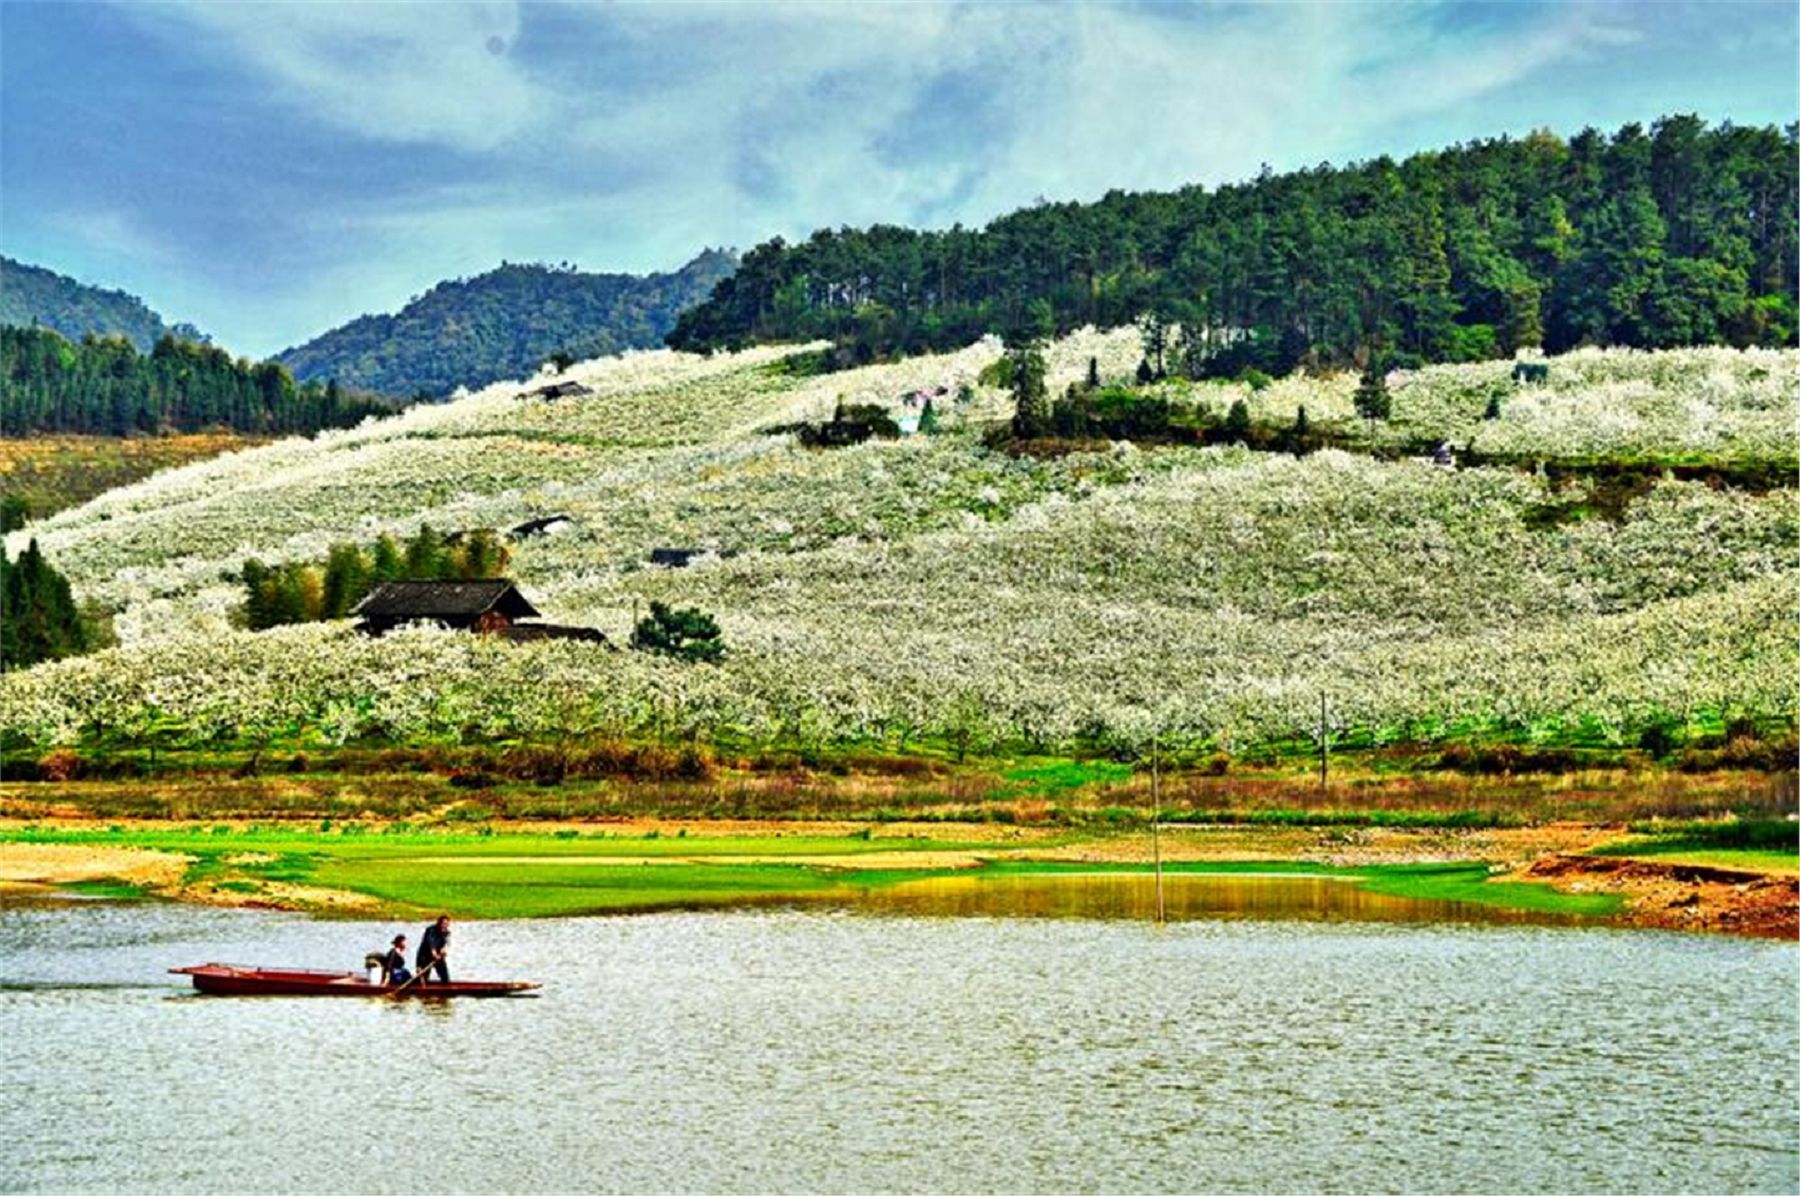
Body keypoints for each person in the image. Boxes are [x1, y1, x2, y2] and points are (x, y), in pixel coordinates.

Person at [416, 915, 451, 985]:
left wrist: (443, 951)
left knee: (445, 978)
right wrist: (434, 954)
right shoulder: (431, 930)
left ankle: (445, 992)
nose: (445, 926)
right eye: (444, 924)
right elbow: (431, 943)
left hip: (437, 956)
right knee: (423, 980)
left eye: (447, 924)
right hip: (425, 957)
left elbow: (444, 944)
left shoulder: (446, 932)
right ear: (439, 923)